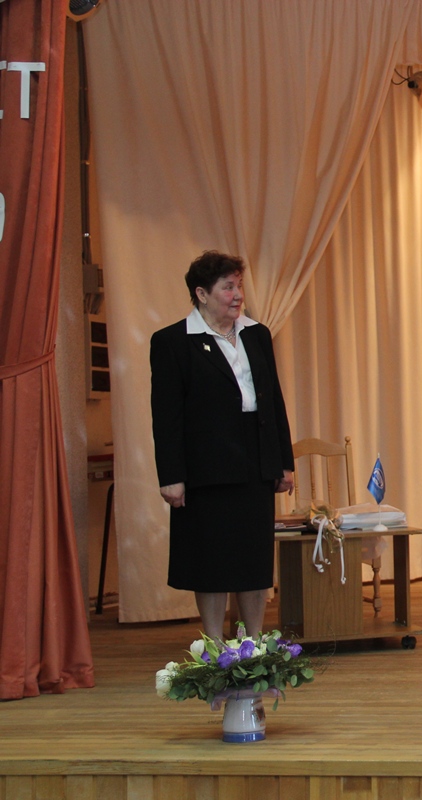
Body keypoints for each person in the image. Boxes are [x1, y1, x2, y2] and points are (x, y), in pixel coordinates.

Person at [150, 251, 295, 640]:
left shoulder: (257, 334)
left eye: (239, 286)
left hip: (256, 461)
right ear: (202, 293)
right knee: (211, 562)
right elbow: (166, 416)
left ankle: (254, 643)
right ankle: (215, 646)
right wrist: (171, 475)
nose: (237, 295)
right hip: (206, 468)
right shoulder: (172, 342)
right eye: (228, 287)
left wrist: (283, 461)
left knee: (253, 561)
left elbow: (273, 401)